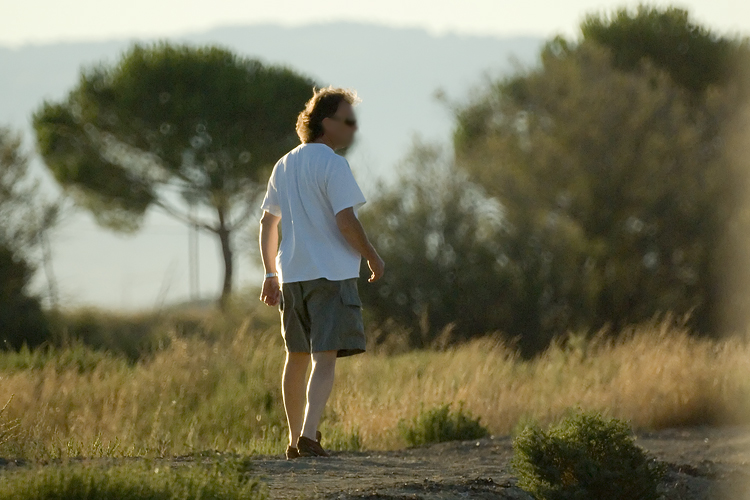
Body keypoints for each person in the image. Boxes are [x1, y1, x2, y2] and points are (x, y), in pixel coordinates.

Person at [258, 86, 385, 459]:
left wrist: (269, 274)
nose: (353, 128)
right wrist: (373, 257)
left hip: (292, 274)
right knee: (323, 358)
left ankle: (294, 439)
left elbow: (268, 223)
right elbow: (345, 220)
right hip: (330, 274)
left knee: (295, 357)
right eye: (348, 120)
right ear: (327, 123)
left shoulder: (284, 163)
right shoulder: (333, 164)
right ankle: (310, 437)